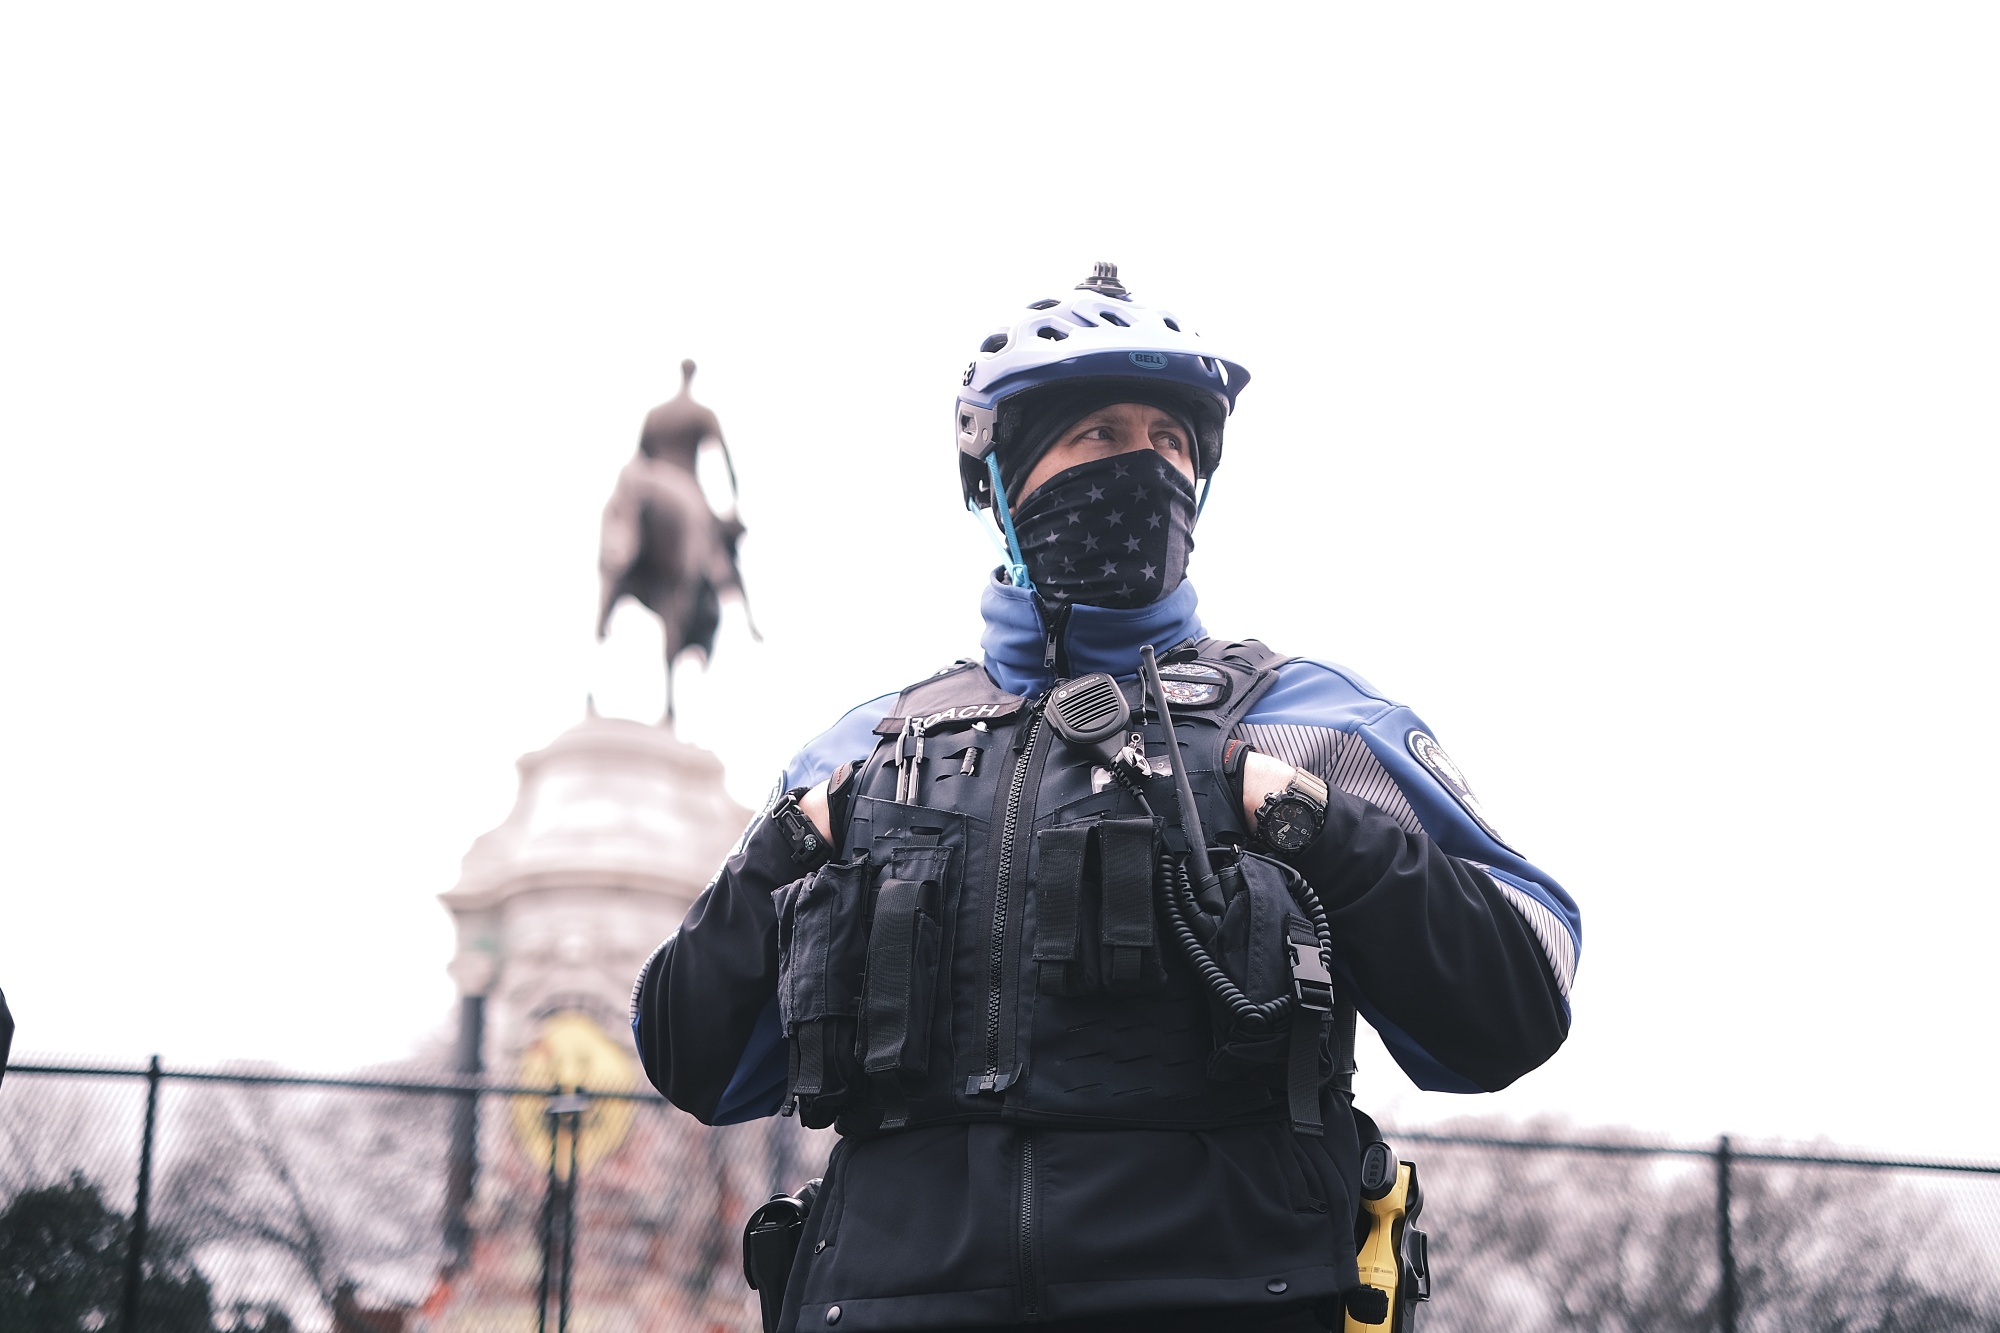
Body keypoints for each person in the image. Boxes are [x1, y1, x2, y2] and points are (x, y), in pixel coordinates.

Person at [632, 264, 1581, 1332]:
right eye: (1098, 434)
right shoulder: (863, 752)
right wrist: (778, 850)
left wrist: (1318, 825)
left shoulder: (1310, 718)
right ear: (999, 478)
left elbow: (1519, 996)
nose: (1145, 465)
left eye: (1170, 441)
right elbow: (695, 1061)